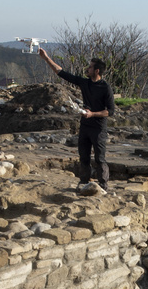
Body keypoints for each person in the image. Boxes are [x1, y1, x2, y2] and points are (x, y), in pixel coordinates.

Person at [38, 48, 115, 193]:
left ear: (97, 71)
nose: (88, 68)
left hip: (98, 128)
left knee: (100, 158)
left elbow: (110, 111)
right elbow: (61, 73)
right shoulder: (85, 83)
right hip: (85, 126)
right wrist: (46, 58)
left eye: (90, 67)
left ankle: (103, 185)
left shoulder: (106, 88)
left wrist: (92, 114)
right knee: (83, 156)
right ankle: (84, 182)